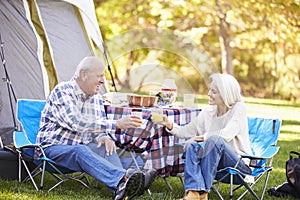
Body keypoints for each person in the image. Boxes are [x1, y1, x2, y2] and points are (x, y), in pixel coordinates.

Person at [36, 56, 145, 200]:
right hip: (53, 148)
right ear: (84, 75)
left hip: (83, 148)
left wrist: (104, 137)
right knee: (80, 150)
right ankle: (124, 179)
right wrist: (116, 124)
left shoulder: (97, 98)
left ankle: (122, 191)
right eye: (99, 76)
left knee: (106, 147)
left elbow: (98, 127)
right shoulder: (62, 91)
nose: (102, 81)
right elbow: (75, 122)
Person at [153, 73, 252, 200]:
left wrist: (203, 137)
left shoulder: (239, 108)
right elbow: (185, 131)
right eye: (210, 90)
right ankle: (194, 193)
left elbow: (226, 134)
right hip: (213, 163)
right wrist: (169, 124)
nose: (209, 94)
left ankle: (202, 192)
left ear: (225, 94)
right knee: (193, 146)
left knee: (213, 140)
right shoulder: (208, 112)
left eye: (214, 91)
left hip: (238, 164)